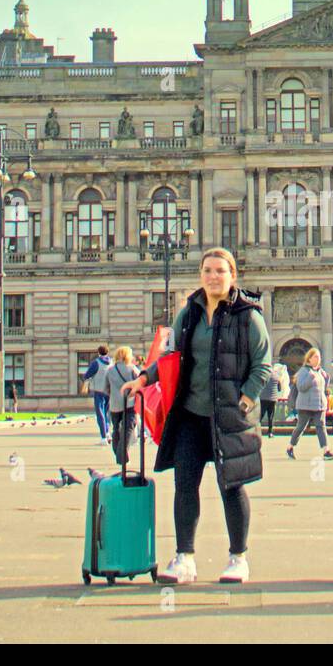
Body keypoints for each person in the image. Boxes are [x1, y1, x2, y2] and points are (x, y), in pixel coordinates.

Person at [121, 248, 271, 585]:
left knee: (231, 485)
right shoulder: (188, 314)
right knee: (185, 485)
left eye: (220, 271)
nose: (213, 276)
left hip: (229, 416)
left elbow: (262, 364)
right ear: (200, 274)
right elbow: (170, 356)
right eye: (207, 270)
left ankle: (238, 558)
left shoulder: (249, 315)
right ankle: (184, 557)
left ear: (233, 275)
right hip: (190, 414)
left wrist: (245, 400)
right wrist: (144, 378)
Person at [287, 349, 333, 461]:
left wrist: (326, 378)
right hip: (306, 405)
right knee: (301, 427)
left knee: (321, 427)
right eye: (315, 357)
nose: (318, 359)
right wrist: (310, 378)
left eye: (319, 357)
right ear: (309, 358)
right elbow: (301, 387)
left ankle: (326, 451)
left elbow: (323, 389)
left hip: (319, 404)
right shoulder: (304, 371)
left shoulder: (319, 371)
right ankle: (290, 447)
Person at [103, 346, 142, 466]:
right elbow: (140, 382)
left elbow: (105, 388)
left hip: (114, 405)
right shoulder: (132, 369)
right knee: (128, 428)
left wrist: (114, 395)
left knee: (116, 429)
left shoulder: (110, 370)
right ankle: (121, 455)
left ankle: (118, 453)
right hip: (129, 403)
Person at [81, 346, 113, 444]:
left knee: (100, 414)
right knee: (107, 413)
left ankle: (103, 437)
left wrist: (86, 379)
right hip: (109, 390)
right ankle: (107, 433)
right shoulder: (112, 362)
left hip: (99, 390)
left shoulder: (96, 362)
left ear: (99, 352)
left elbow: (87, 375)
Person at [259, 362, 285, 438]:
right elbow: (279, 389)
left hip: (263, 398)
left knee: (261, 415)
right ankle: (270, 433)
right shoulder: (277, 376)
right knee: (271, 416)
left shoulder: (264, 375)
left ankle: (256, 430)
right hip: (273, 399)